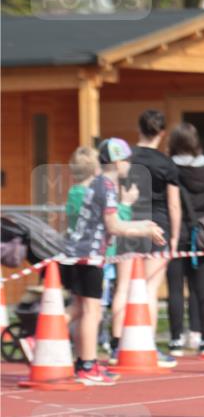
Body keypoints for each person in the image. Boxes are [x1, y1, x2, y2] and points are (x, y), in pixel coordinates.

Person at [63, 138, 165, 384]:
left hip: (81, 252)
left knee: (84, 311)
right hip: (89, 255)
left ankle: (85, 362)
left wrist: (144, 224)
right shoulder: (107, 186)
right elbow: (114, 226)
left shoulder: (99, 184)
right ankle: (88, 364)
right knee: (92, 313)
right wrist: (144, 230)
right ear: (118, 162)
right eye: (127, 159)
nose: (130, 164)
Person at [109, 109, 181, 367]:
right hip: (157, 227)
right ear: (162, 133)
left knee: (123, 287)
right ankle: (147, 344)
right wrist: (175, 237)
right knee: (149, 288)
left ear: (139, 129)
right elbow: (174, 205)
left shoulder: (125, 160)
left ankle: (116, 345)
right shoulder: (167, 163)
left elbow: (115, 192)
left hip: (128, 223)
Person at [167, 122, 204, 357]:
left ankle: (176, 339)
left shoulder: (170, 168)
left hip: (176, 231)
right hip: (203, 234)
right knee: (202, 290)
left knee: (175, 289)